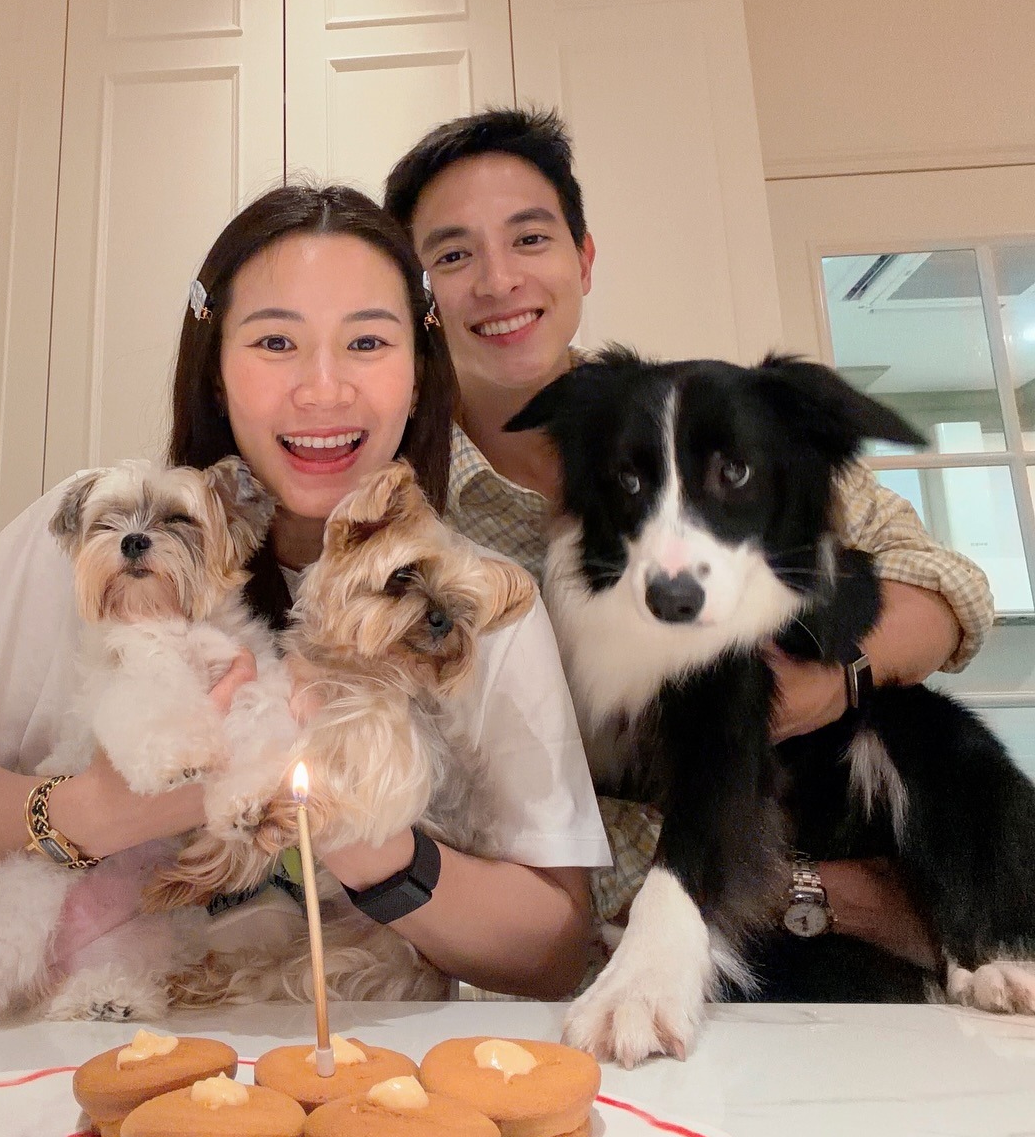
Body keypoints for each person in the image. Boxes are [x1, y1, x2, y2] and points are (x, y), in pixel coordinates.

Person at [0, 184, 610, 1001]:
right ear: (216, 371)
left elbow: (552, 950)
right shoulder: (101, 541)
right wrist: (96, 810)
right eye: (275, 342)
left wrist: (369, 842)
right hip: (96, 1051)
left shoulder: (466, 600)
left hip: (358, 1060)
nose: (323, 389)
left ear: (418, 372)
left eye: (367, 342)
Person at [384, 107, 997, 992]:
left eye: (530, 238)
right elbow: (469, 814)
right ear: (420, 296)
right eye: (452, 255)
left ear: (583, 259)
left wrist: (831, 685)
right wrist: (810, 889)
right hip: (610, 959)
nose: (498, 280)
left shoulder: (713, 416)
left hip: (830, 866)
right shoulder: (405, 519)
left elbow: (944, 590)